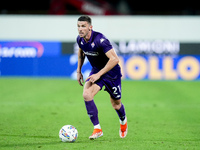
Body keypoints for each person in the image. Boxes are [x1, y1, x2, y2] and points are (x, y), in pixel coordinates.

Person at [76, 15, 127, 140]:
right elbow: (81, 51)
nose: (80, 29)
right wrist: (79, 71)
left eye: (83, 26)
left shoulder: (100, 39)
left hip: (111, 73)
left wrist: (99, 74)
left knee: (116, 104)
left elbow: (115, 59)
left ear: (90, 27)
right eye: (78, 26)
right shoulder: (80, 39)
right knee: (87, 94)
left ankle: (123, 121)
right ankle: (97, 129)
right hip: (97, 71)